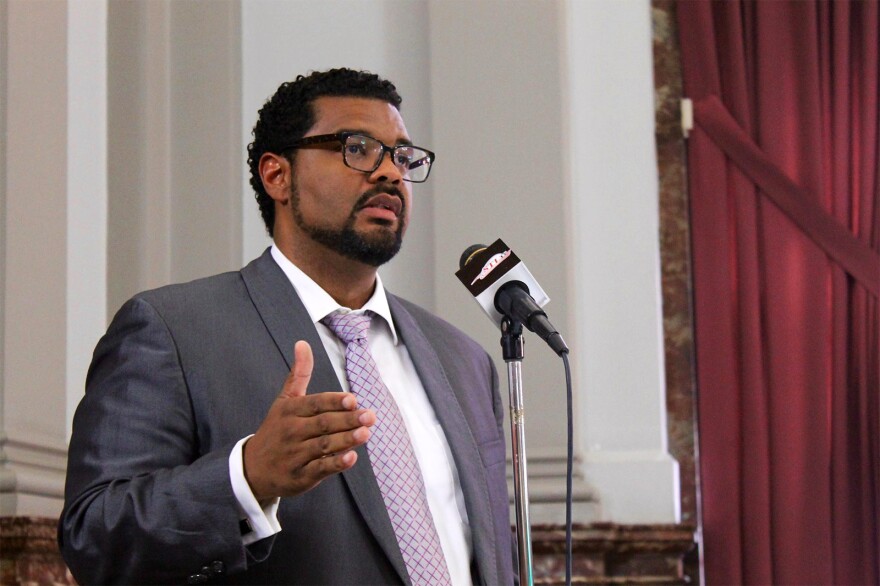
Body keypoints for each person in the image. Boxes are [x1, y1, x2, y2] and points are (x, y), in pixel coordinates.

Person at [58, 68, 515, 585]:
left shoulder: (463, 359)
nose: (390, 173)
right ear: (277, 175)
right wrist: (246, 477)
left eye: (403, 156)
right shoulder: (173, 331)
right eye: (358, 148)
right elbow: (93, 537)